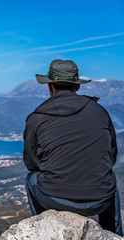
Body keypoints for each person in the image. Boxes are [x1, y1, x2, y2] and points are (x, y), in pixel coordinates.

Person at [23, 59, 123, 236]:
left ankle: (47, 231)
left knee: (31, 179)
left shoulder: (36, 118)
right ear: (77, 87)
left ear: (50, 87)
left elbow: (32, 164)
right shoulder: (100, 112)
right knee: (109, 180)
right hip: (99, 200)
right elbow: (111, 156)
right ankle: (114, 235)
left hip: (54, 198)